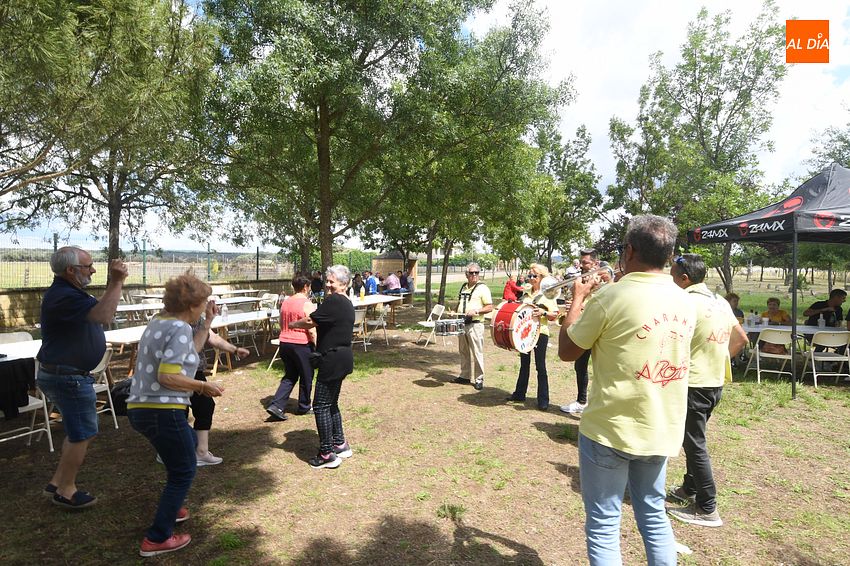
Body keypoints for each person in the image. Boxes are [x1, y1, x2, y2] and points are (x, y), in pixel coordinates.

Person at [558, 215, 696, 565]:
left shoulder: (611, 297)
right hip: (660, 428)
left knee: (604, 522)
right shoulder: (685, 300)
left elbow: (567, 350)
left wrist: (577, 299)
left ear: (629, 250)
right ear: (669, 254)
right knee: (653, 513)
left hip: (610, 429)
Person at [126, 274, 224, 557]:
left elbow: (188, 353)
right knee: (184, 470)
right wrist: (203, 386)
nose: (206, 305)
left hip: (142, 409)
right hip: (162, 410)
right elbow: (169, 376)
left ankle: (174, 506)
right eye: (203, 302)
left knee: (181, 454)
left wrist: (206, 323)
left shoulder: (159, 322)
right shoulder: (179, 329)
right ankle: (157, 538)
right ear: (191, 304)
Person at [37, 247, 128, 509]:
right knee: (82, 432)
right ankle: (67, 490)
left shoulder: (69, 292)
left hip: (67, 374)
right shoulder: (64, 296)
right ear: (71, 270)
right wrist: (118, 281)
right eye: (88, 266)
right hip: (68, 376)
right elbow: (104, 315)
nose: (93, 269)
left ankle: (57, 482)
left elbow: (98, 311)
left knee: (79, 431)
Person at [666, 254, 748, 528]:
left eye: (672, 273)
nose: (669, 277)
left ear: (684, 278)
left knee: (694, 443)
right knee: (694, 438)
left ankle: (707, 507)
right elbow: (741, 338)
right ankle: (689, 488)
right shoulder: (719, 300)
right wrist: (715, 360)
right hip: (714, 382)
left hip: (693, 384)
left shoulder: (683, 301)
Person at [290, 265, 356, 469]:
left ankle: (327, 453)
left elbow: (311, 320)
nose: (327, 285)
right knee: (332, 403)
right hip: (343, 357)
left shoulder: (334, 300)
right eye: (327, 281)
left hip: (332, 359)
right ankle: (340, 443)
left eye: (332, 281)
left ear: (344, 284)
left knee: (320, 406)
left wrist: (292, 325)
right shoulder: (346, 302)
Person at [186, 312, 249, 466]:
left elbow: (212, 337)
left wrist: (234, 349)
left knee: (205, 407)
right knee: (179, 412)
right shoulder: (175, 321)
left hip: (195, 371)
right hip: (178, 372)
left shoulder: (197, 318)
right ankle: (174, 452)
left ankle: (200, 451)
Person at [506, 264, 559, 410]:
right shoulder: (526, 291)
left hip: (540, 333)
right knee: (524, 364)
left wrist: (542, 312)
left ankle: (543, 400)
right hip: (525, 333)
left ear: (542, 277)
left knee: (540, 366)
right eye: (529, 275)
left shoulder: (548, 293)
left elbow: (554, 315)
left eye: (534, 276)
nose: (531, 278)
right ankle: (519, 394)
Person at [266, 275, 317, 421]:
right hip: (301, 344)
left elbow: (282, 323)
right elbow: (311, 327)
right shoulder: (306, 303)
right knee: (307, 375)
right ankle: (304, 406)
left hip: (285, 342)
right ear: (306, 287)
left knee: (290, 375)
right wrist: (315, 344)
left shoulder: (286, 302)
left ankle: (277, 405)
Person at [560, 248, 599, 415]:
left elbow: (600, 302)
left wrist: (581, 304)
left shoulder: (601, 280)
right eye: (581, 262)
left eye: (586, 263)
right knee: (580, 365)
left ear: (596, 263)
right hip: (583, 326)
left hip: (598, 328)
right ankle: (582, 401)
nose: (582, 266)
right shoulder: (580, 279)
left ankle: (595, 404)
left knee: (600, 367)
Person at [452, 263, 494, 391]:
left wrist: (476, 311)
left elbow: (489, 307)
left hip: (475, 324)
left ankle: (479, 378)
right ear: (466, 275)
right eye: (471, 273)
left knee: (477, 352)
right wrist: (454, 311)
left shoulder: (483, 288)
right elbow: (461, 303)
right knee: (463, 351)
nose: (474, 275)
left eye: (476, 272)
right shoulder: (464, 287)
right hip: (461, 323)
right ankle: (465, 376)